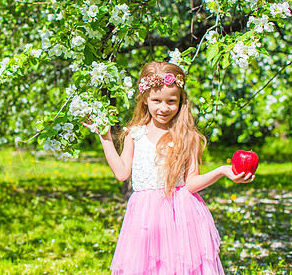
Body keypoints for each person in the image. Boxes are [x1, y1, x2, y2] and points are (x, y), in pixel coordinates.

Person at [82, 61, 255, 275]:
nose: (164, 108)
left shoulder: (188, 137)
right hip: (145, 217)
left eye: (171, 101)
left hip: (180, 215)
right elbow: (121, 173)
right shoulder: (134, 134)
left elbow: (191, 183)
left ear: (181, 101)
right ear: (145, 100)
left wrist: (222, 170)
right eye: (156, 100)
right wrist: (106, 138)